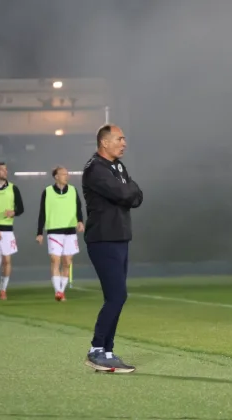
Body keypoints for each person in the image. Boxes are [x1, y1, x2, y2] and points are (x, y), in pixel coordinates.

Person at [82, 124, 143, 373]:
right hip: (103, 239)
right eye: (119, 139)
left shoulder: (117, 166)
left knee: (115, 297)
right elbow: (125, 193)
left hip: (119, 237)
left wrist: (129, 192)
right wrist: (128, 191)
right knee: (117, 296)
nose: (124, 143)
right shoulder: (95, 169)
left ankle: (107, 352)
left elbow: (136, 195)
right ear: (104, 142)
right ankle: (96, 349)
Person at [36, 166, 84, 301]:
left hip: (70, 231)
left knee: (67, 262)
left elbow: (78, 208)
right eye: (63, 174)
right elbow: (42, 212)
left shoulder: (73, 190)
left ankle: (61, 291)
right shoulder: (47, 192)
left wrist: (80, 221)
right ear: (56, 177)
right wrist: (39, 232)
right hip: (54, 231)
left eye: (67, 174)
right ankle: (58, 291)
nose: (66, 176)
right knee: (55, 260)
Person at [0, 162, 24, 300]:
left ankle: (3, 289)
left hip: (7, 230)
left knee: (7, 260)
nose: (5, 171)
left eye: (6, 169)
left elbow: (21, 208)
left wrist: (13, 212)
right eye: (2, 170)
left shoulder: (13, 188)